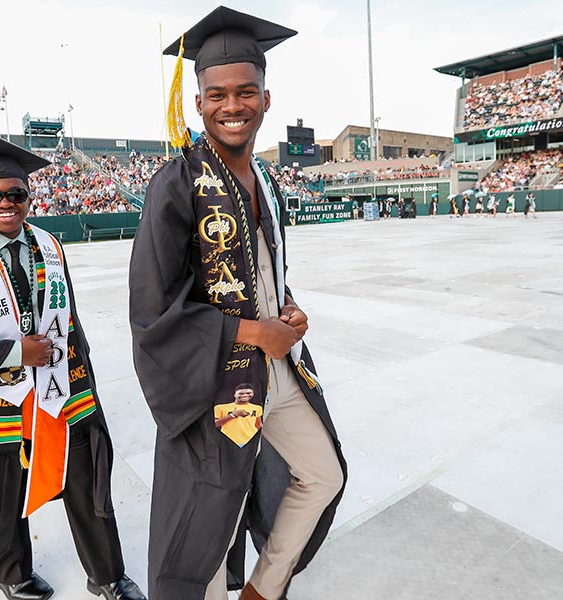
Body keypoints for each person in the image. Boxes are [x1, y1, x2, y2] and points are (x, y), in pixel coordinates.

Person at [129, 8, 346, 600]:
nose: (232, 105)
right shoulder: (175, 184)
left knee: (324, 474)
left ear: (266, 99)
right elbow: (153, 310)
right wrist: (256, 333)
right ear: (197, 103)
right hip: (219, 380)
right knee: (206, 516)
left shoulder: (268, 180)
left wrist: (290, 308)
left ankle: (262, 588)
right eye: (217, 94)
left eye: (245, 92)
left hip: (278, 372)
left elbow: (265, 269)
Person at [0, 137, 146, 600]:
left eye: (16, 194)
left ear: (29, 196)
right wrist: (14, 354)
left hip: (62, 390)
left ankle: (108, 575)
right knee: (3, 490)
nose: (5, 204)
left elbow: (69, 323)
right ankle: (12, 573)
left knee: (87, 480)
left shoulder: (49, 246)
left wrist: (84, 382)